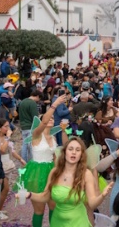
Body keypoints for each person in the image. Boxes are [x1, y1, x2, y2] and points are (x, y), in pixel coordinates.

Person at [24, 137, 110, 227]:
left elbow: (92, 203)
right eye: (70, 149)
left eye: (77, 150)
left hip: (78, 222)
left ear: (81, 155)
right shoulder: (55, 172)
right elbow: (45, 196)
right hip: (57, 222)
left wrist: (102, 196)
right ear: (64, 152)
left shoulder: (85, 174)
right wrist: (28, 194)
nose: (74, 152)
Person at [23, 95, 68, 227]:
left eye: (53, 118)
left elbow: (59, 152)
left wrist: (64, 131)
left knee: (54, 206)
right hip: (36, 173)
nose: (51, 120)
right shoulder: (36, 135)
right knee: (39, 209)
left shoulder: (53, 137)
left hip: (51, 171)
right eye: (49, 118)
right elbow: (43, 122)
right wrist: (55, 104)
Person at [0, 118, 25, 221]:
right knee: (4, 189)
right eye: (6, 126)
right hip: (0, 166)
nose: (8, 128)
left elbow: (12, 151)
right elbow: (2, 150)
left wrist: (20, 159)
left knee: (4, 189)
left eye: (8, 126)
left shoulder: (5, 139)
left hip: (7, 165)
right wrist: (8, 137)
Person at [19, 90, 42, 162]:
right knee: (31, 146)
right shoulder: (32, 103)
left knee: (24, 145)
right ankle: (32, 161)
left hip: (23, 126)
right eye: (39, 99)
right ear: (37, 96)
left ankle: (24, 161)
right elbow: (35, 118)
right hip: (30, 126)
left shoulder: (23, 101)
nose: (39, 101)